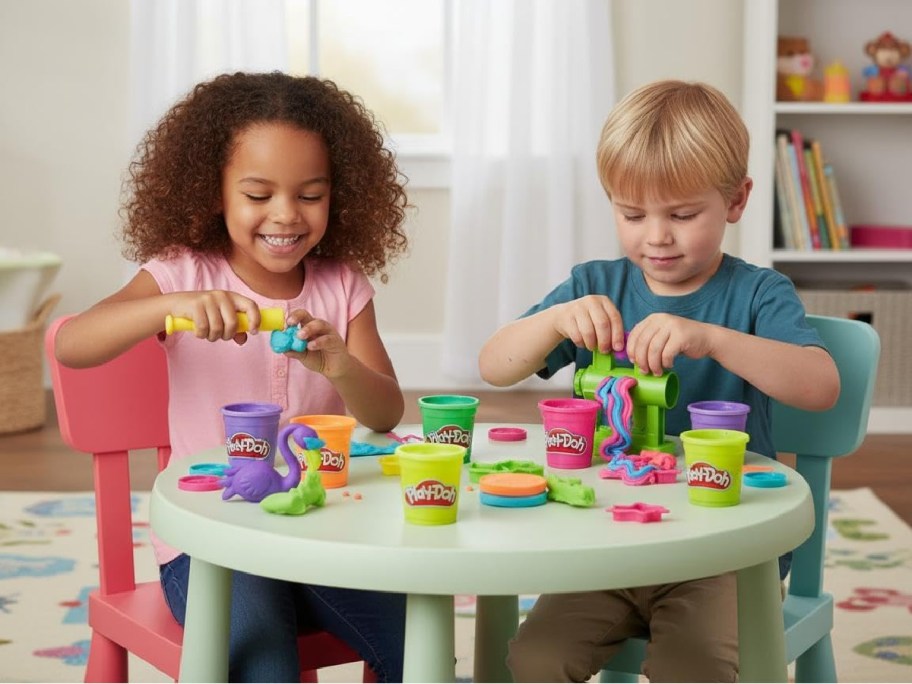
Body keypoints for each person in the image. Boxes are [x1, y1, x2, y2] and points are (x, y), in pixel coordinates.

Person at [478, 80, 841, 682]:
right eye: (631, 213)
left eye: (682, 214)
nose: (656, 236)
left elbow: (820, 386)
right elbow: (493, 367)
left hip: (723, 553)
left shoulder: (756, 294)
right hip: (606, 547)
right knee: (536, 658)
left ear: (737, 199)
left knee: (693, 665)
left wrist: (714, 339)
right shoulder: (596, 286)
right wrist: (553, 320)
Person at [55, 71, 410, 682]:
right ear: (212, 191)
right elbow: (74, 344)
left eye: (310, 194)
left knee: (413, 633)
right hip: (208, 548)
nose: (285, 215)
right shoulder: (180, 271)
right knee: (263, 660)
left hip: (320, 538)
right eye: (258, 193)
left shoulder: (342, 286)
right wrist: (175, 307)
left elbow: (384, 414)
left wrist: (341, 367)